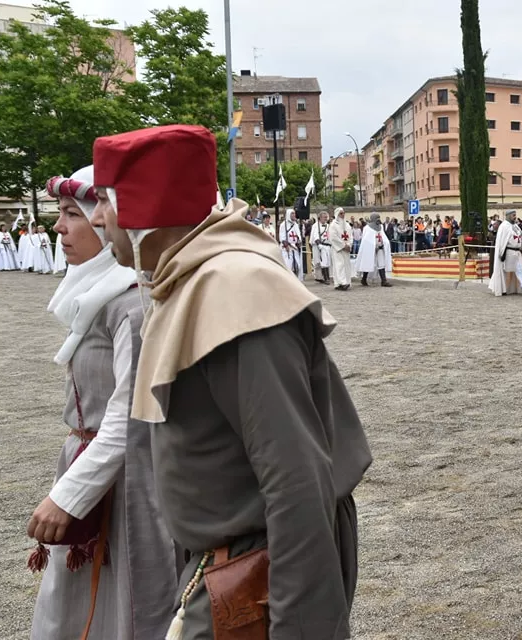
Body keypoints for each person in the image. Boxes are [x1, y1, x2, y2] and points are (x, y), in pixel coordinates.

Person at [90, 124, 372, 639]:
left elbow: (296, 478)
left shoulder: (236, 291)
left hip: (259, 564)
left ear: (143, 208)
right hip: (224, 561)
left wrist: (301, 630)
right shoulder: (189, 280)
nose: (97, 218)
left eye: (107, 201)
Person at [29, 166, 178, 640]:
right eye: (61, 213)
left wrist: (70, 496)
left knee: (133, 602)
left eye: (72, 213)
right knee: (76, 605)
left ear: (104, 220)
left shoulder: (131, 305)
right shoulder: (95, 295)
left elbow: (129, 417)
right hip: (90, 462)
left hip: (128, 479)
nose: (60, 227)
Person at [489, 209, 522, 297]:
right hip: (508, 252)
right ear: (508, 216)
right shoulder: (504, 226)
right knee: (505, 271)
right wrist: (502, 253)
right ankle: (502, 288)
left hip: (517, 252)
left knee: (520, 270)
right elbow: (502, 241)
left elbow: (520, 236)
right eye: (513, 215)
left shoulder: (515, 226)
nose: (515, 217)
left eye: (515, 215)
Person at [355, 212, 393, 287]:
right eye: (377, 218)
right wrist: (373, 246)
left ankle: (384, 281)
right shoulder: (367, 228)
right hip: (371, 249)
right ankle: (364, 279)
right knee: (368, 263)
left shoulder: (381, 227)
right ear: (373, 219)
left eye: (379, 218)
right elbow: (365, 240)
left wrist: (384, 244)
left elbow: (383, 237)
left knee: (381, 264)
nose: (378, 220)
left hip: (380, 248)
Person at [329, 206, 354, 291]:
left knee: (346, 265)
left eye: (343, 213)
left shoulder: (347, 225)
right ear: (337, 214)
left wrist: (349, 245)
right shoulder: (333, 225)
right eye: (341, 213)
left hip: (346, 249)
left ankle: (345, 282)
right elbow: (333, 237)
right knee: (339, 265)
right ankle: (341, 283)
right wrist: (343, 245)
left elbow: (350, 236)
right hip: (338, 249)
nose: (343, 215)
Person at [280, 208, 305, 280]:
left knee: (297, 265)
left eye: (294, 213)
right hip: (287, 248)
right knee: (288, 265)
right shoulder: (283, 225)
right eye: (292, 213)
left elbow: (298, 235)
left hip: (295, 248)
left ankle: (296, 280)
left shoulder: (295, 224)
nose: (294, 215)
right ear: (288, 215)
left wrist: (299, 241)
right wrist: (286, 245)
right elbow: (282, 237)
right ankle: (288, 280)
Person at [310, 210, 333, 284]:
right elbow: (315, 235)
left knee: (325, 261)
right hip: (318, 245)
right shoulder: (315, 226)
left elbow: (330, 235)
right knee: (318, 261)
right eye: (324, 217)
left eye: (326, 217)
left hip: (326, 245)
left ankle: (326, 277)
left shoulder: (328, 225)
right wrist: (318, 243)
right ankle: (319, 277)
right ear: (320, 218)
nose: (326, 218)